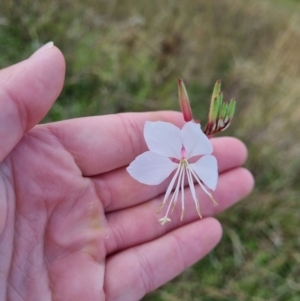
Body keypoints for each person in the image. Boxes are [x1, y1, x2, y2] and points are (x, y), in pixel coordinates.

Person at [0, 43, 254, 301]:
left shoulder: (199, 151)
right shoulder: (171, 139)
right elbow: (173, 143)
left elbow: (198, 148)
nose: (184, 167)